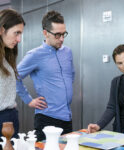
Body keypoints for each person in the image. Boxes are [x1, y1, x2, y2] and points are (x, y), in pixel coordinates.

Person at [16, 10, 75, 141]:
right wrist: (29, 100)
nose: (62, 39)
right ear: (45, 33)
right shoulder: (34, 55)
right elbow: (15, 77)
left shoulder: (68, 52)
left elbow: (71, 75)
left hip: (67, 118)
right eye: (57, 35)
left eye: (64, 34)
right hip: (47, 120)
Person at [0, 8, 25, 139]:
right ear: (1, 30)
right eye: (16, 33)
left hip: (10, 116)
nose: (19, 39)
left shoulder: (6, 56)